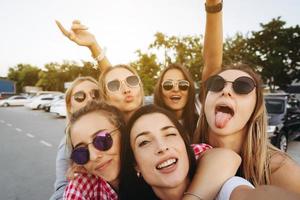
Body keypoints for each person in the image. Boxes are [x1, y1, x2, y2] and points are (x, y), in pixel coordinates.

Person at [119, 104, 300, 200]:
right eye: (144, 142)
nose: (161, 147)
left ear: (186, 145)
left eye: (170, 134)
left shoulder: (222, 187)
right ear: (136, 165)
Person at [193, 64, 300, 194]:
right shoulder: (185, 155)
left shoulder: (279, 168)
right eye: (217, 84)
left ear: (256, 108)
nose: (226, 91)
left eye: (242, 87)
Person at [50, 76, 101, 200]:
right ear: (70, 107)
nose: (90, 99)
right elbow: (61, 189)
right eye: (80, 96)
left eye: (96, 94)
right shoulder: (68, 144)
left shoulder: (119, 129)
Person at [63, 101, 126, 199]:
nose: (93, 156)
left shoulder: (150, 171)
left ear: (122, 133)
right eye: (81, 151)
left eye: (102, 140)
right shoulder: (80, 186)